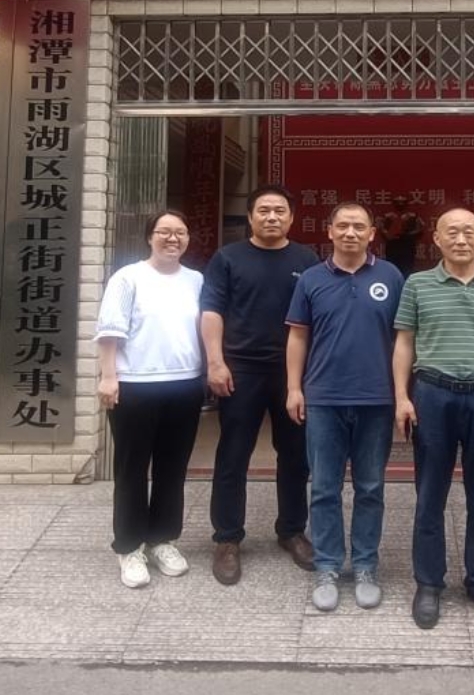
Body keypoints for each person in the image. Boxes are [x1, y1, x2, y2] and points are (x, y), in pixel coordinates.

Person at [392, 207, 474, 631]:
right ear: (436, 238)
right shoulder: (417, 284)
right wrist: (402, 397)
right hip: (433, 394)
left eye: (469, 232)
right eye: (452, 232)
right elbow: (404, 342)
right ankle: (428, 583)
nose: (461, 239)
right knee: (430, 494)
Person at [286, 202, 405, 612]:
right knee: (324, 487)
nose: (350, 232)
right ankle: (328, 565)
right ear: (330, 231)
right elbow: (298, 336)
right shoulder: (312, 279)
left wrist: (402, 394)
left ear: (372, 233)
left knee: (371, 487)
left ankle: (366, 564)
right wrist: (294, 388)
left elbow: (404, 339)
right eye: (343, 226)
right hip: (324, 398)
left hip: (376, 398)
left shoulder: (391, 276)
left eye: (359, 226)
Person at [201, 184, 322, 584]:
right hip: (242, 370)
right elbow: (212, 311)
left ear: (292, 217)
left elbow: (316, 317)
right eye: (264, 210)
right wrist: (215, 362)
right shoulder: (228, 257)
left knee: (295, 454)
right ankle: (227, 537)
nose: (272, 217)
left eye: (280, 210)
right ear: (251, 216)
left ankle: (291, 530)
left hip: (293, 373)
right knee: (233, 453)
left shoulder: (306, 259)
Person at [94, 209, 207, 589]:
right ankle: (129, 547)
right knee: (132, 469)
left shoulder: (196, 280)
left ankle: (162, 540)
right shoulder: (128, 278)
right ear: (149, 237)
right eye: (164, 232)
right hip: (135, 385)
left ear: (188, 238)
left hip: (184, 384)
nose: (172, 238)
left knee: (172, 469)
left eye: (180, 232)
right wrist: (108, 376)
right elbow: (110, 330)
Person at [380, 195, 425, 274]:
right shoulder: (387, 216)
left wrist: (409, 236)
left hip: (407, 245)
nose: (400, 204)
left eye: (402, 202)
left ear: (406, 204)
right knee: (392, 267)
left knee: (407, 268)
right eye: (397, 202)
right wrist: (388, 236)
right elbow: (381, 229)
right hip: (393, 245)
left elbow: (421, 228)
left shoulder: (413, 216)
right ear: (394, 204)